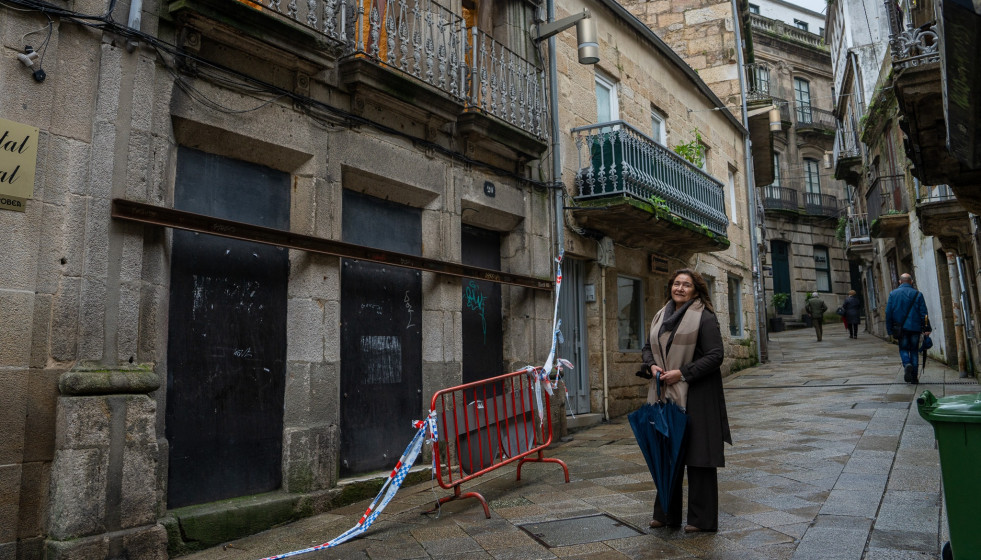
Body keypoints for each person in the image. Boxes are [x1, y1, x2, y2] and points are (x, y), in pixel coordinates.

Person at [641, 268, 731, 533]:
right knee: (666, 454)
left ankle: (701, 519)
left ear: (696, 290)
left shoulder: (704, 317)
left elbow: (716, 355)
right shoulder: (661, 315)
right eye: (677, 284)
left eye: (686, 285)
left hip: (698, 395)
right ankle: (666, 514)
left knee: (699, 456)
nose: (680, 288)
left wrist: (683, 373)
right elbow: (648, 348)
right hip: (665, 395)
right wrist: (652, 367)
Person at [885, 273, 930, 383]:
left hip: (900, 329)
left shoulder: (893, 294)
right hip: (915, 328)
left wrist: (890, 329)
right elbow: (924, 313)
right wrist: (927, 327)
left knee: (903, 348)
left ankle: (907, 363)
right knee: (914, 351)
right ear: (911, 281)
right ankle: (914, 377)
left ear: (900, 282)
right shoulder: (918, 294)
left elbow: (888, 313)